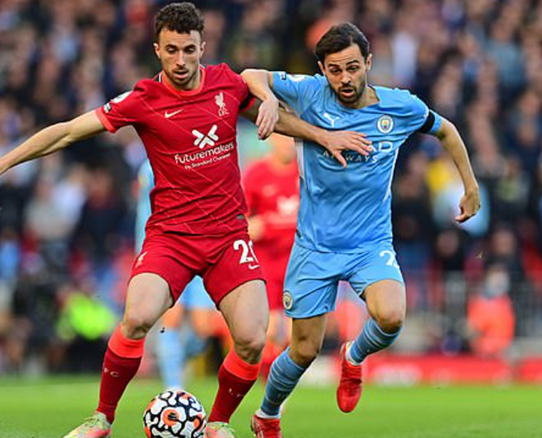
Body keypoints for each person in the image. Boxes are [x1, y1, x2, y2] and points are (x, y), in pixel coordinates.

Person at [0, 5, 372, 438]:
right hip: (171, 237)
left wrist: (324, 136)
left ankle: (218, 423)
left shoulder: (227, 84)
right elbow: (69, 130)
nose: (181, 60)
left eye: (189, 50)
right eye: (172, 50)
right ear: (157, 50)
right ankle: (101, 418)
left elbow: (279, 118)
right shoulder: (143, 99)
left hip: (227, 236)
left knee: (251, 337)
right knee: (136, 317)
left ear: (202, 47)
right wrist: (1, 163)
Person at [242, 22, 481, 437]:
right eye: (335, 70)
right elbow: (250, 75)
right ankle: (268, 414)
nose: (345, 79)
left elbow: (447, 130)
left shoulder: (398, 106)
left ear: (368, 63)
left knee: (391, 316)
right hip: (315, 246)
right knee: (304, 350)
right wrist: (267, 101)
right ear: (322, 70)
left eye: (353, 67)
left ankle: (353, 356)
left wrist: (471, 186)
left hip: (370, 243)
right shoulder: (310, 93)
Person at [135, 159, 218, 390]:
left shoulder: (203, 158)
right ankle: (173, 388)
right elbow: (144, 212)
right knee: (172, 318)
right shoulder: (151, 166)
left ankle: (174, 360)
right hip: (169, 250)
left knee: (204, 329)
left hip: (202, 248)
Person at [242, 134, 299, 379]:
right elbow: (240, 216)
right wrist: (249, 226)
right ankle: (270, 384)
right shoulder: (256, 173)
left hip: (299, 261)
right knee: (270, 329)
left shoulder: (306, 171)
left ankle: (282, 382)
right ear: (271, 139)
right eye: (283, 138)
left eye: (292, 139)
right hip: (267, 260)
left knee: (296, 333)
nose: (287, 144)